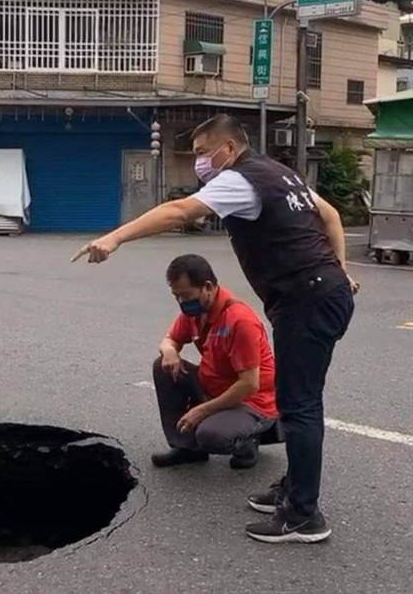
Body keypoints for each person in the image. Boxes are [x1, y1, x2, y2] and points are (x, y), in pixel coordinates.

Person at [73, 114, 357, 544]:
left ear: (228, 148)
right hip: (319, 292)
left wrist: (115, 238)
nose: (201, 162)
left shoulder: (241, 179)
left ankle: (303, 515)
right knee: (297, 398)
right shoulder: (278, 174)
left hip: (307, 298)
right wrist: (340, 270)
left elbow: (180, 211)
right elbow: (331, 215)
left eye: (204, 152)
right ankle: (294, 490)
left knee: (301, 406)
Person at [153, 254, 280, 471]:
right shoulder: (196, 311)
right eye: (176, 296)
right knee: (162, 366)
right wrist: (169, 350)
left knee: (211, 435)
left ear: (208, 287)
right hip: (215, 386)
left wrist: (202, 411)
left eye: (186, 295)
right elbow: (170, 339)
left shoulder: (239, 321)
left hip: (252, 401)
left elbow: (249, 384)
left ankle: (248, 441)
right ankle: (187, 448)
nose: (182, 302)